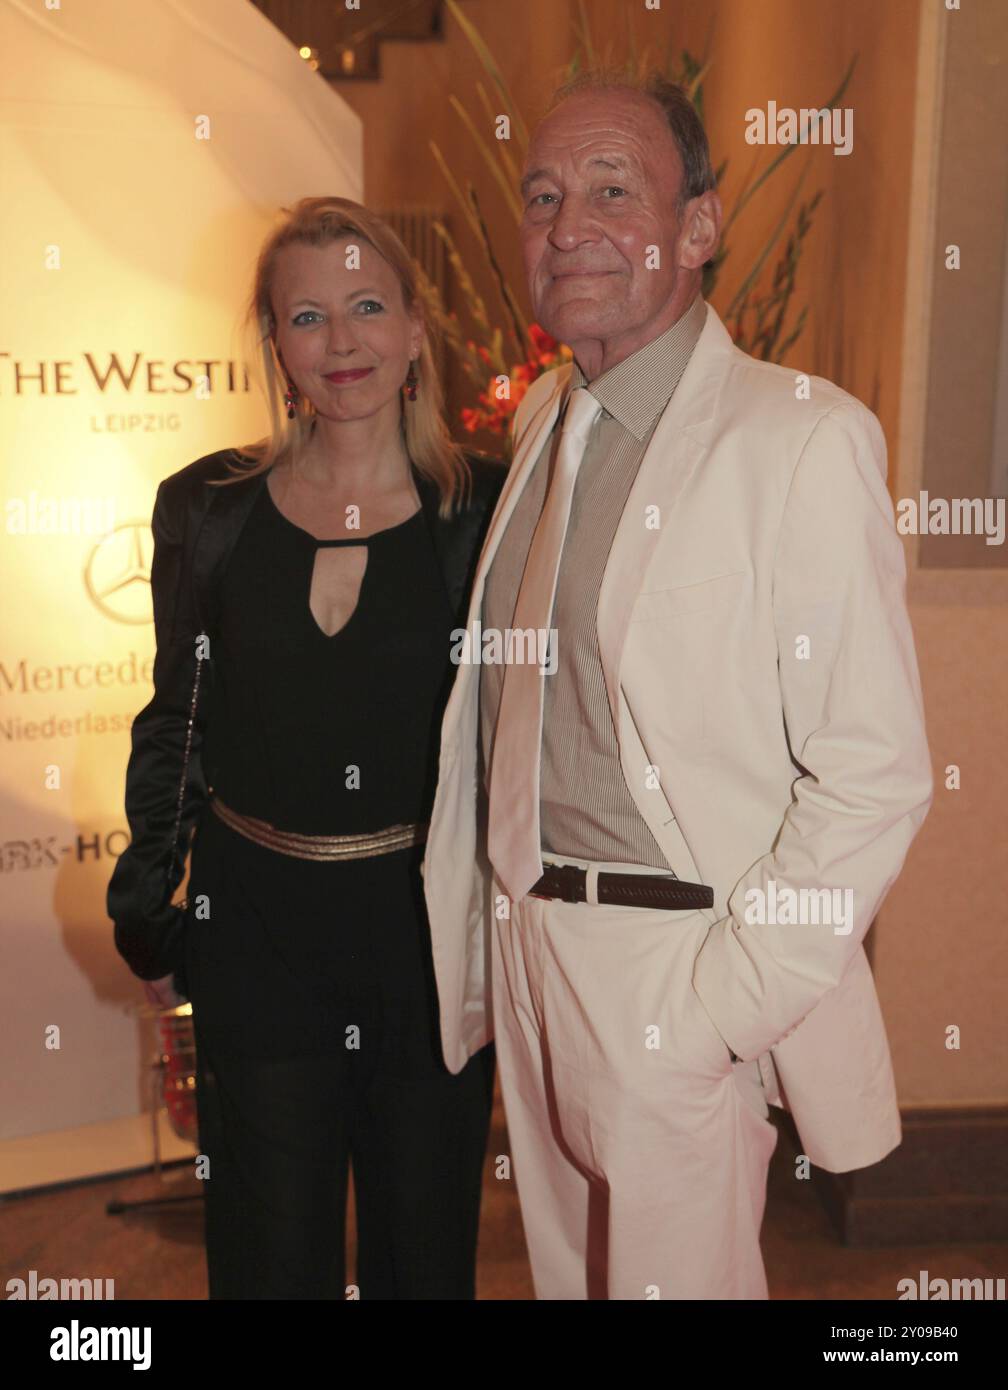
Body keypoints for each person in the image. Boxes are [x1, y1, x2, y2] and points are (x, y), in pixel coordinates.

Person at [420, 71, 934, 1299]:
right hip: (538, 953)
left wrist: (719, 1009)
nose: (567, 223)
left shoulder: (801, 440)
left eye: (613, 187)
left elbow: (873, 777)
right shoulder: (549, 416)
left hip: (679, 965)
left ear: (697, 228)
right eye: (544, 196)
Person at [107, 197, 503, 1300]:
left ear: (417, 330)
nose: (343, 344)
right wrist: (151, 897)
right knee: (267, 1258)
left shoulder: (487, 508)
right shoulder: (208, 511)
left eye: (369, 307)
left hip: (426, 944)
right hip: (257, 937)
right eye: (310, 316)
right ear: (275, 344)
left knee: (422, 1260)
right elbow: (177, 712)